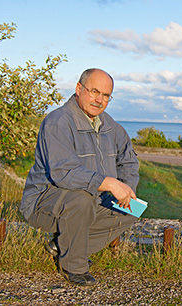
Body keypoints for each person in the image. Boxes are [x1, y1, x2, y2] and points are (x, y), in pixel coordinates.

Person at [20, 68, 139, 286]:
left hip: (93, 200)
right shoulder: (58, 122)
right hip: (44, 202)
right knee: (81, 199)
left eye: (106, 95)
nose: (99, 99)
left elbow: (129, 161)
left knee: (133, 207)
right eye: (94, 91)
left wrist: (126, 189)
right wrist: (110, 183)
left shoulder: (110, 125)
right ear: (78, 89)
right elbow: (63, 172)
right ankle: (74, 266)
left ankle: (61, 244)